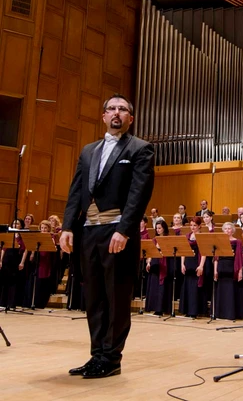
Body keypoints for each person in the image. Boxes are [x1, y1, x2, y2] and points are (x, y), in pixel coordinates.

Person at [60, 93, 155, 379]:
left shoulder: (141, 149)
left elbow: (139, 193)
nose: (117, 113)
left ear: (130, 118)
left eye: (123, 109)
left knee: (116, 296)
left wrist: (124, 230)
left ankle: (111, 358)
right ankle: (96, 355)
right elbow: (76, 190)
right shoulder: (88, 150)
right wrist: (66, 226)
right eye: (111, 108)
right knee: (94, 297)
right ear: (103, 116)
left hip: (117, 232)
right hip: (88, 231)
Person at [213, 222, 243, 320]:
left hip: (232, 268)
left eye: (229, 228)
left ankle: (230, 314)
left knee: (231, 292)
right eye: (225, 228)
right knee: (221, 291)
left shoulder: (237, 242)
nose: (227, 230)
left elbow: (239, 258)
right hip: (221, 268)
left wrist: (240, 272)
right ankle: (220, 314)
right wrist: (215, 270)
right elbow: (216, 257)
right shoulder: (219, 241)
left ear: (233, 230)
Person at [179, 217, 206, 317]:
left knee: (195, 288)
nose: (192, 227)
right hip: (188, 263)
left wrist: (201, 266)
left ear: (199, 226)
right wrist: (182, 264)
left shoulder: (202, 237)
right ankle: (187, 310)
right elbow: (183, 251)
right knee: (187, 286)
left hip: (197, 262)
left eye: (195, 225)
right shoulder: (187, 236)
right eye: (191, 225)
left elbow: (204, 253)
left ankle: (194, 311)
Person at [145, 220, 170, 316]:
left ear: (164, 228)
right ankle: (154, 307)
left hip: (164, 263)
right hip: (155, 263)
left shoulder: (167, 239)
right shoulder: (154, 239)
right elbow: (150, 252)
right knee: (154, 286)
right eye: (157, 228)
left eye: (160, 228)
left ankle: (161, 308)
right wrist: (148, 262)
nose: (158, 230)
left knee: (162, 286)